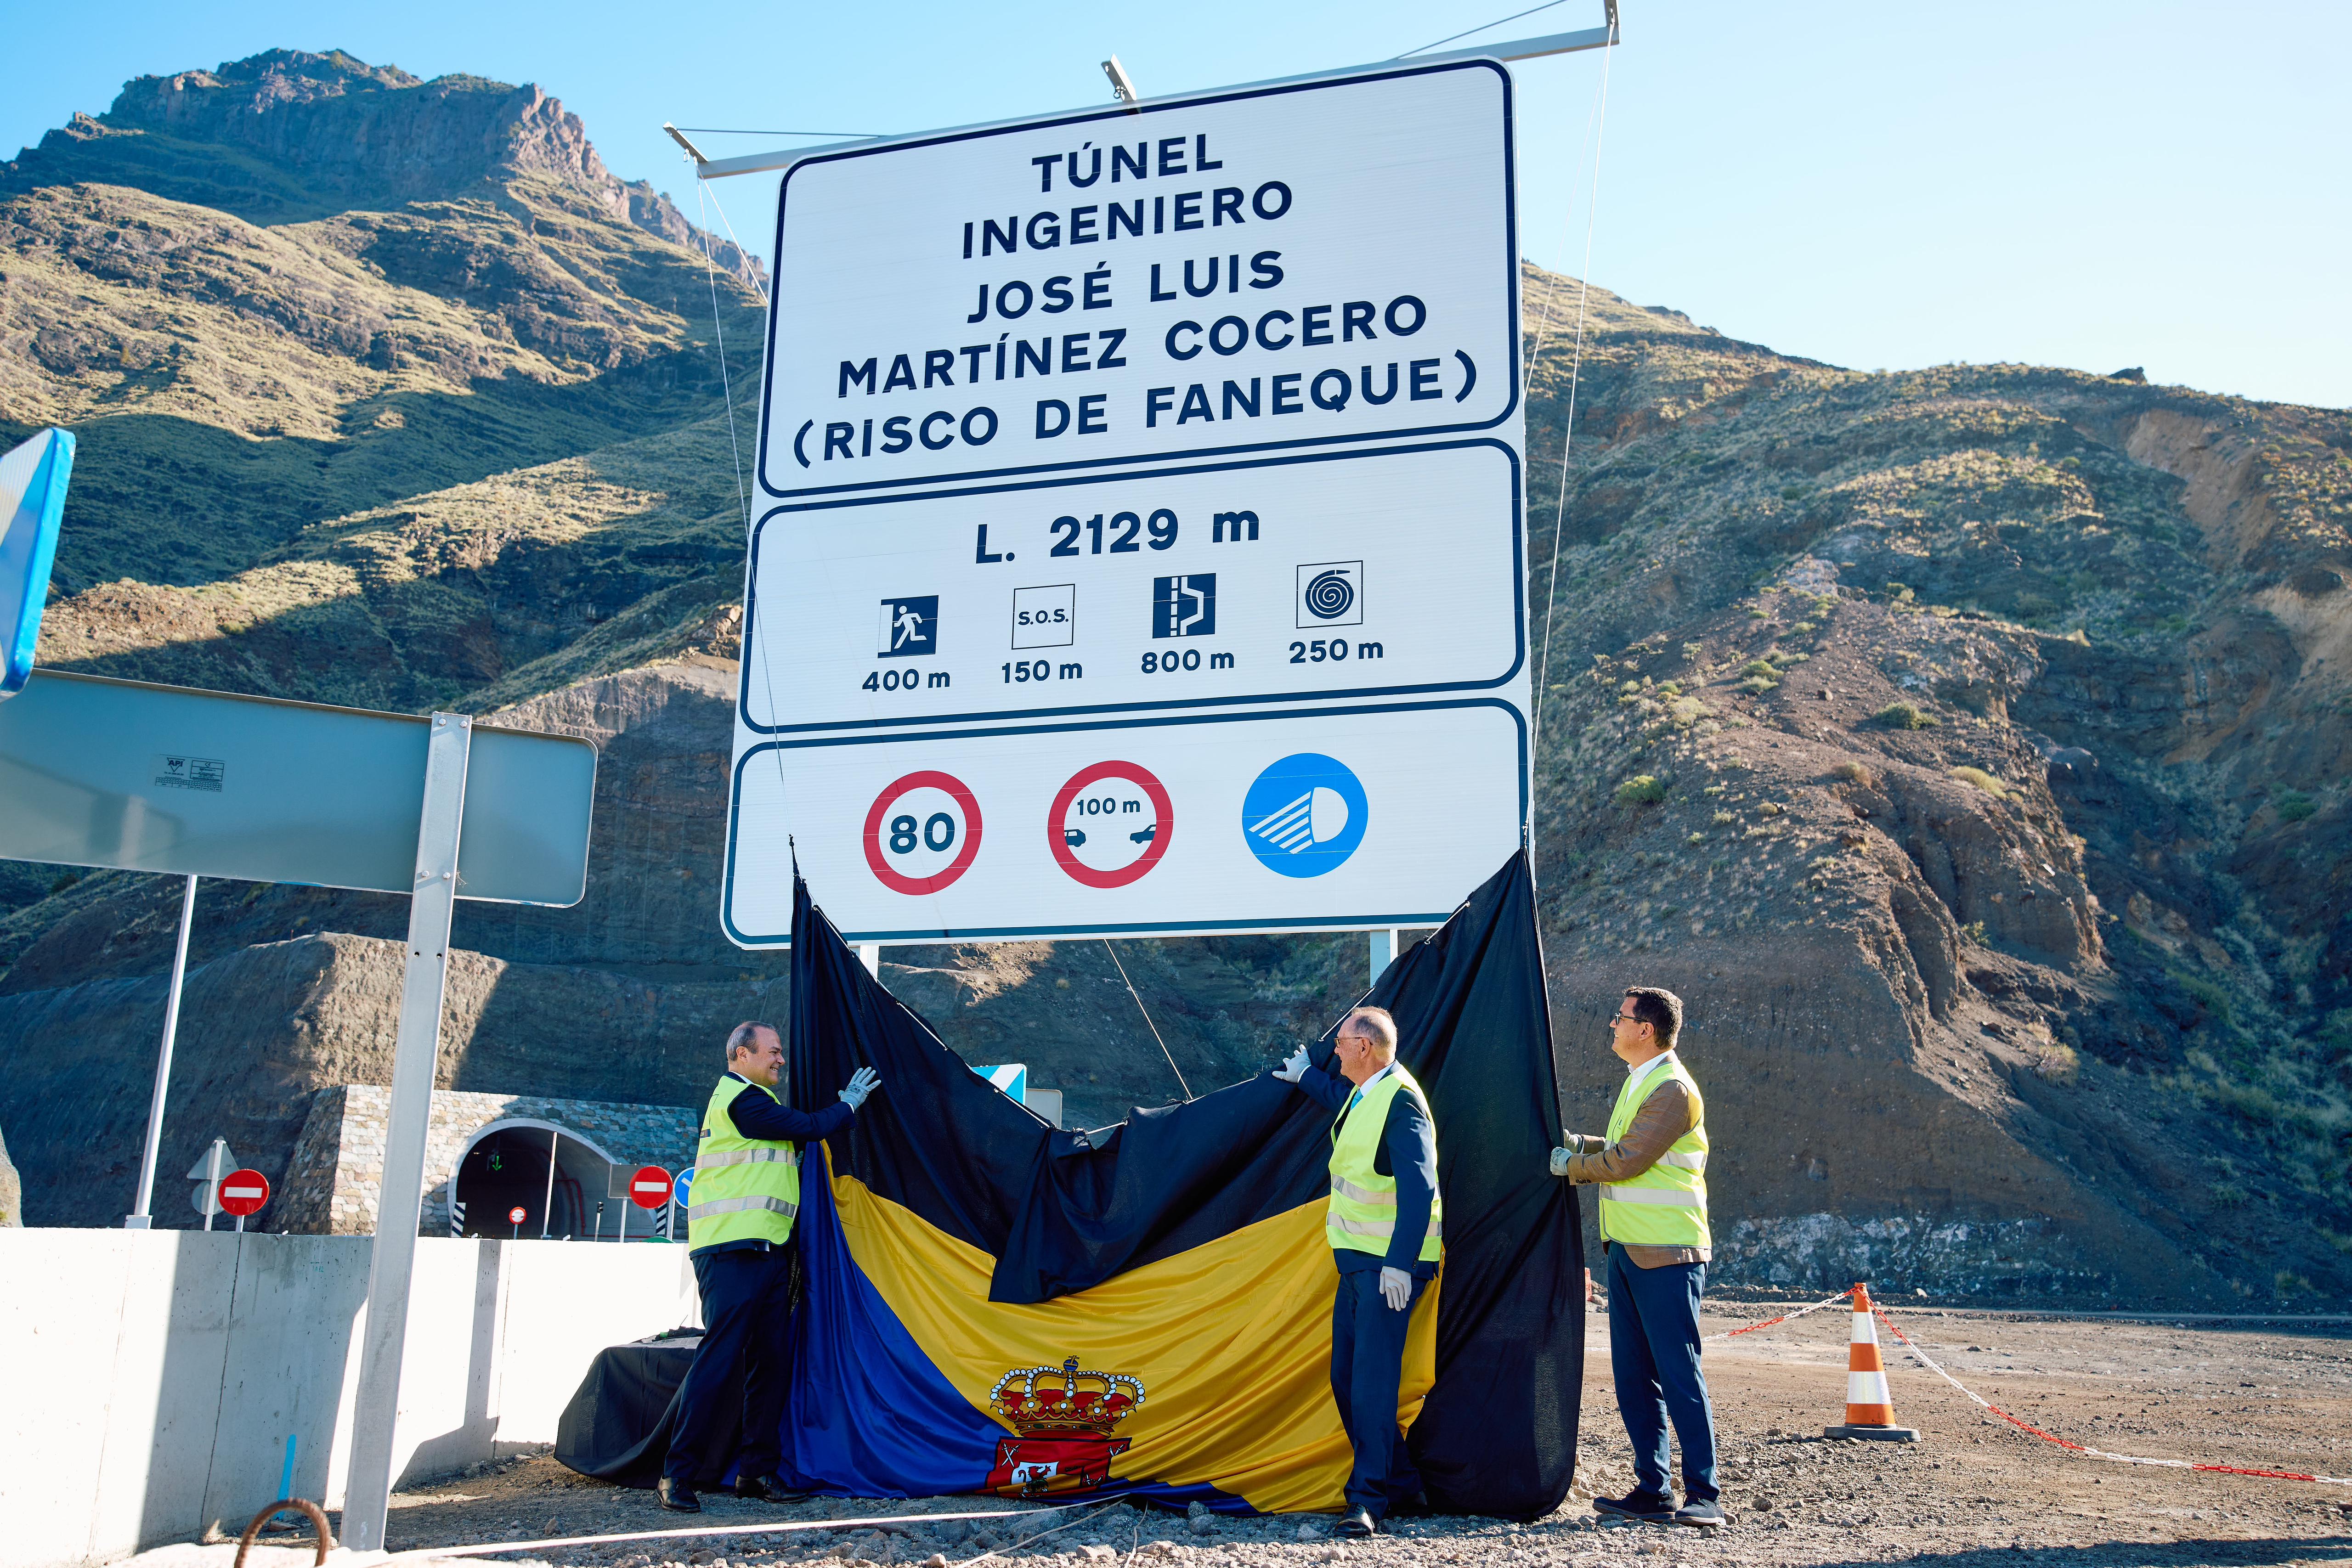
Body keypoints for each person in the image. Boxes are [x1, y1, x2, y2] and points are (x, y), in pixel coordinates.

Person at [660, 1022, 882, 1512]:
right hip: (731, 1253)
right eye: (773, 1052)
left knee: (771, 1365)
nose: (780, 1060)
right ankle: (676, 1476)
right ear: (742, 1054)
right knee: (718, 1365)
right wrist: (847, 1105)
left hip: (768, 1254)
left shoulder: (759, 1104)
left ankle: (756, 1473)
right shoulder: (739, 1100)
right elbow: (807, 1128)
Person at [1549, 987, 1720, 1529]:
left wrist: (1570, 1167)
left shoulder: (1672, 1089)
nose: (1611, 1025)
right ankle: (1653, 1488)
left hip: (1667, 1254)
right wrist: (1580, 1144)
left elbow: (1629, 1160)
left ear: (1645, 1029)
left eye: (1619, 1018)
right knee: (1634, 1378)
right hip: (1628, 1251)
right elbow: (1622, 1145)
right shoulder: (1641, 1082)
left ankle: (1704, 1495)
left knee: (1677, 1374)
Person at [1272, 1006, 1442, 1538]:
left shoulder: (1402, 1103)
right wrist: (1305, 1077)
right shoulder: (1372, 1092)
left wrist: (1398, 1264)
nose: (1335, 1048)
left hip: (1387, 1269)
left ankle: (1365, 1500)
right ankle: (1403, 1484)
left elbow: (1420, 1190)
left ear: (1364, 1048)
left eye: (1341, 1042)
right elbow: (1345, 1105)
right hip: (1358, 1265)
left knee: (1369, 1384)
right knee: (1346, 1379)